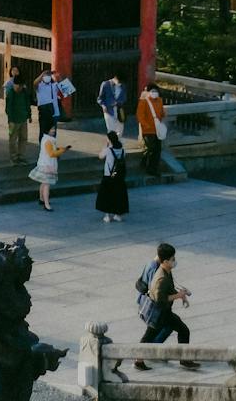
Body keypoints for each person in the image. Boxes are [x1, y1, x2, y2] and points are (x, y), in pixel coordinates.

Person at [135, 243, 198, 371]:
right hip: (158, 314)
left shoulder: (166, 271)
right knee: (148, 337)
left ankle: (184, 359)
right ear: (165, 261)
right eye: (172, 259)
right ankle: (138, 360)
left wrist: (182, 296)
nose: (175, 261)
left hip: (165, 312)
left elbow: (169, 290)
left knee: (183, 330)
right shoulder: (161, 278)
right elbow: (160, 299)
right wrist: (178, 295)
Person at [96, 129, 130, 222]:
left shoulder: (108, 150)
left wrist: (106, 145)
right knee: (118, 195)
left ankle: (107, 215)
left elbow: (100, 156)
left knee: (107, 196)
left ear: (109, 140)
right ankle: (117, 214)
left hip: (108, 176)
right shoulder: (123, 150)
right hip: (119, 176)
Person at [138, 83, 167, 177]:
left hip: (157, 130)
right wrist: (146, 126)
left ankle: (153, 168)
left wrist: (163, 114)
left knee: (157, 150)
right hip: (148, 130)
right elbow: (140, 116)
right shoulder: (144, 101)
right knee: (151, 148)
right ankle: (148, 166)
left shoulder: (160, 101)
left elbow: (161, 113)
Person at [4, 66, 33, 163]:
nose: (18, 87)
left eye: (20, 86)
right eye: (16, 85)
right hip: (13, 120)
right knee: (12, 139)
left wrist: (29, 115)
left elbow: (27, 104)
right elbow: (8, 108)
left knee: (23, 138)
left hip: (23, 118)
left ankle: (21, 155)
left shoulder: (24, 92)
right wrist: (10, 120)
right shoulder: (10, 93)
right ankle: (14, 156)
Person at [31, 128, 61, 211]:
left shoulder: (46, 139)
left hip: (44, 164)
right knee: (47, 184)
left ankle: (41, 199)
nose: (53, 130)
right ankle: (46, 204)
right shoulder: (48, 141)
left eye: (53, 129)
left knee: (44, 183)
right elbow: (51, 154)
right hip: (47, 165)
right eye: (51, 129)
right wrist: (61, 151)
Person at [99, 70, 127, 139]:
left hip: (119, 110)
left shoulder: (123, 86)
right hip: (108, 110)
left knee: (120, 130)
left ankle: (116, 144)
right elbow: (100, 98)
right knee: (111, 131)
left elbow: (124, 98)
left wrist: (118, 102)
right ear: (115, 78)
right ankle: (112, 146)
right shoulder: (105, 84)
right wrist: (103, 106)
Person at [35, 67, 60, 139]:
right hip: (44, 113)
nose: (47, 77)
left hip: (54, 113)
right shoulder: (39, 86)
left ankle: (51, 148)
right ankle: (43, 148)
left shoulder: (54, 85)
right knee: (43, 133)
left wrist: (59, 77)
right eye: (45, 75)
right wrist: (43, 74)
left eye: (48, 75)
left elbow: (68, 91)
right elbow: (35, 83)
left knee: (52, 134)